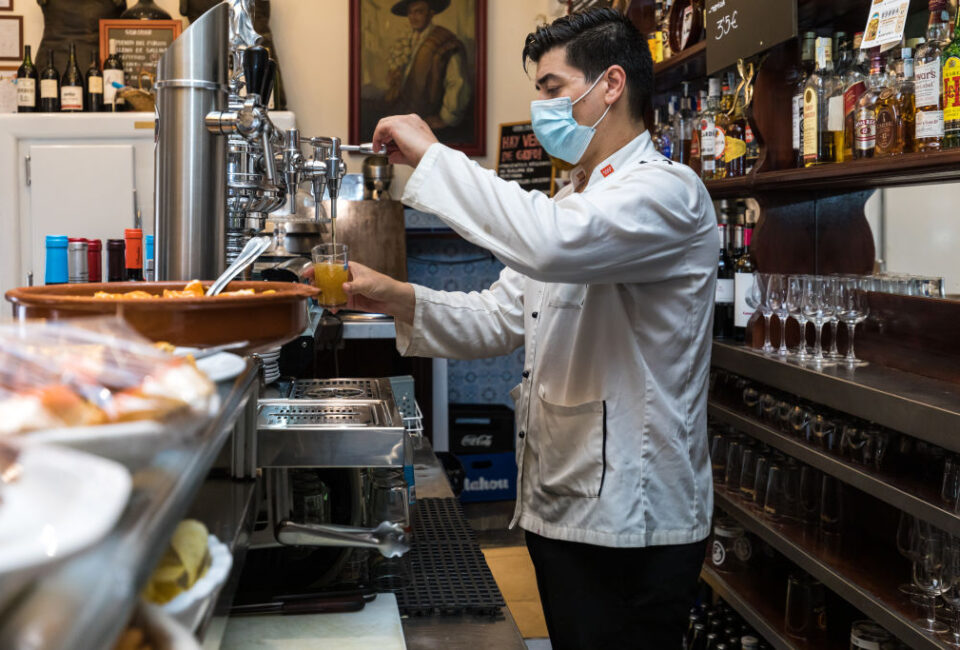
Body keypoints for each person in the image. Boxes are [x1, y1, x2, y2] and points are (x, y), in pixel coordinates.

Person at [343, 8, 715, 648]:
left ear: (611, 85)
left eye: (551, 88)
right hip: (562, 501)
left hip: (635, 517)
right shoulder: (575, 202)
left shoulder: (667, 193)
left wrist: (435, 156)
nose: (540, 106)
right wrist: (389, 295)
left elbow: (545, 243)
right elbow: (498, 316)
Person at [385, 0, 471, 137]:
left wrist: (446, 118)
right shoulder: (407, 41)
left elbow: (457, 83)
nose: (413, 17)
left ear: (431, 13)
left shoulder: (445, 41)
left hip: (432, 126)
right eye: (410, 13)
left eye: (418, 12)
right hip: (410, 122)